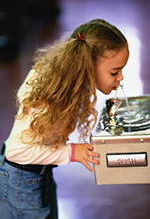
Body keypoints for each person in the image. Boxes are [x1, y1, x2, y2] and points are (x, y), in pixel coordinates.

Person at [0, 18, 129, 218]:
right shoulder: (49, 98)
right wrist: (71, 152)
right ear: (87, 66)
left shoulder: (66, 79)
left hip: (38, 174)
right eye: (115, 71)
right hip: (22, 180)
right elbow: (16, 152)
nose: (121, 78)